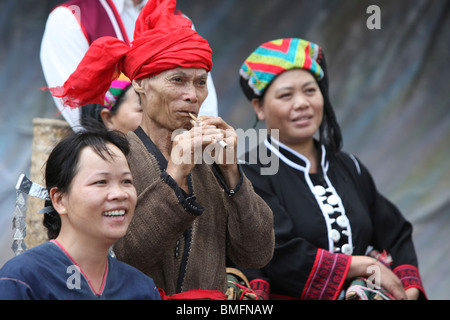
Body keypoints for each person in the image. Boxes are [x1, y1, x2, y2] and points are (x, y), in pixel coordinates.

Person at [47, 0, 274, 299]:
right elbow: (125, 257)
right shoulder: (111, 157)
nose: (192, 96)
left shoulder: (211, 161)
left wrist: (233, 174)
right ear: (140, 83)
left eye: (201, 82)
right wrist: (175, 175)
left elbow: (257, 254)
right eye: (177, 80)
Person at [238, 38, 427, 300]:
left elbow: (396, 232)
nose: (302, 103)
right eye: (285, 95)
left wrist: (409, 289)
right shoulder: (250, 172)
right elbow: (276, 253)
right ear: (259, 108)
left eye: (310, 91)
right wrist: (363, 266)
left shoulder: (349, 167)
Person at [0, 124, 161, 300]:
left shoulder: (142, 288)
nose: (120, 194)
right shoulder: (22, 280)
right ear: (59, 200)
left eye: (126, 181)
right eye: (101, 182)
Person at [40, 0, 218, 130]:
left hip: (180, 151)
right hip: (110, 161)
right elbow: (85, 118)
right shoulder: (70, 19)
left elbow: (204, 105)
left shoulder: (179, 21)